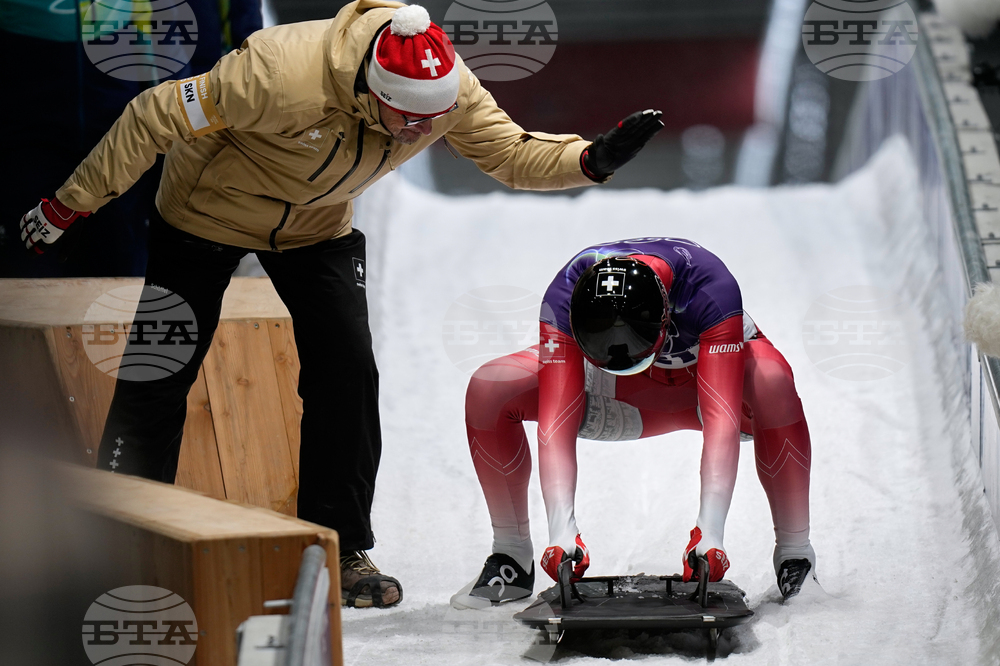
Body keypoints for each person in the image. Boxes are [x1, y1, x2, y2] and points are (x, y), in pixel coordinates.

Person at [17, 1, 663, 609]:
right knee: (161, 369)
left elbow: (511, 151)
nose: (421, 131)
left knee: (349, 368)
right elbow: (151, 116)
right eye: (407, 121)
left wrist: (591, 158)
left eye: (429, 122)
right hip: (204, 212)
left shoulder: (442, 91)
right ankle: (118, 541)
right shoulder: (274, 73)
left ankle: (343, 547)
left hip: (316, 228)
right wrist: (67, 203)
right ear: (370, 93)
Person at [452, 237, 816, 609]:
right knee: (490, 388)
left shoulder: (709, 285)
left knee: (771, 379)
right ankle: (512, 556)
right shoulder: (564, 292)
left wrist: (710, 534)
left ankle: (795, 555)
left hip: (715, 388)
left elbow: (720, 417)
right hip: (619, 393)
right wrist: (561, 533)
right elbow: (556, 419)